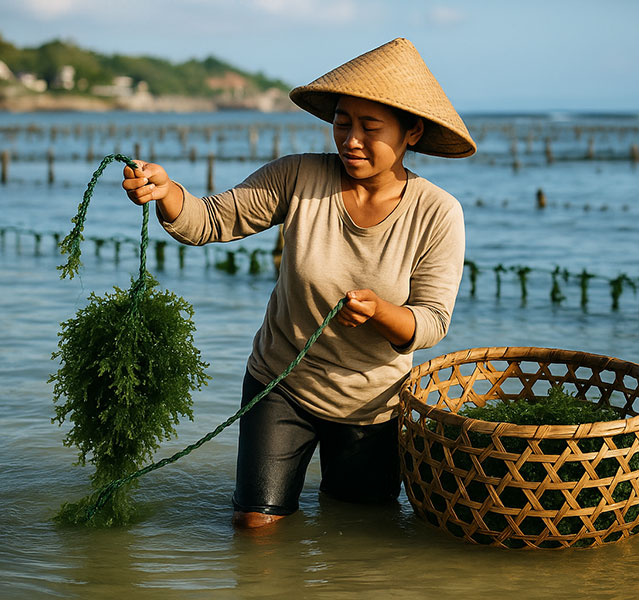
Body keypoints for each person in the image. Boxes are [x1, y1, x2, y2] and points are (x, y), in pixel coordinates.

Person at [121, 38, 476, 529]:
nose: (350, 140)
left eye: (370, 128)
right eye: (342, 122)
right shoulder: (298, 175)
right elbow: (210, 220)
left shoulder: (438, 212)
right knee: (255, 525)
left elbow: (432, 321)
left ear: (411, 131)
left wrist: (379, 313)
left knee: (358, 535)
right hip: (280, 383)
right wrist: (167, 192)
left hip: (371, 406)